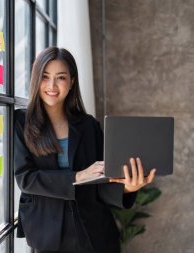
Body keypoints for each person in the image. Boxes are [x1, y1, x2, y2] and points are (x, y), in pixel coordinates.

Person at [14, 47, 156, 253]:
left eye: (60, 78)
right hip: (47, 234)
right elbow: (25, 179)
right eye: (45, 77)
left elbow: (101, 182)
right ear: (36, 79)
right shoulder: (21, 122)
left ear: (71, 82)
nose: (52, 85)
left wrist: (128, 188)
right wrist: (78, 176)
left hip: (95, 234)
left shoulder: (89, 126)